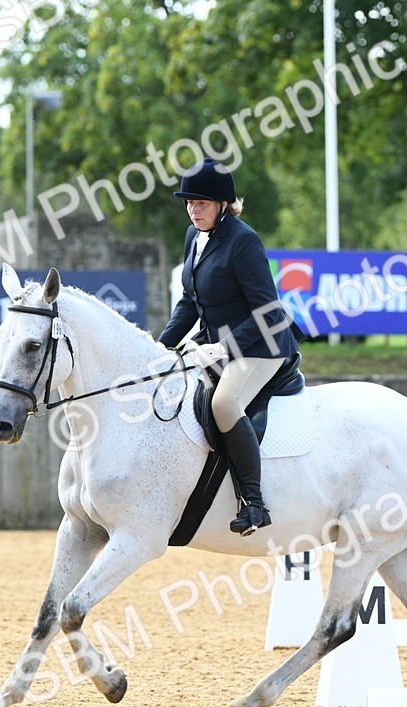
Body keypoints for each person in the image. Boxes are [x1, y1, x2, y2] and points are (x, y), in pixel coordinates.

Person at [158, 157, 299, 535]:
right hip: (215, 341)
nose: (193, 210)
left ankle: (254, 503)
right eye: (189, 203)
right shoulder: (194, 237)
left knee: (223, 402)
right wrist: (159, 348)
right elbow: (190, 302)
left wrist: (224, 349)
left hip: (261, 344)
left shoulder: (243, 241)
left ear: (223, 204)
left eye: (201, 203)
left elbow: (268, 311)